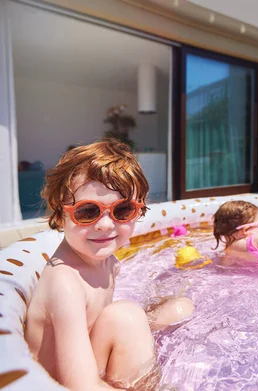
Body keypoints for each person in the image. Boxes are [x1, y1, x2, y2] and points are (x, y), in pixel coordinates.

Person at [25, 140, 194, 391]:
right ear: (60, 214)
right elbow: (79, 386)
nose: (105, 225)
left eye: (123, 210)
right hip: (63, 385)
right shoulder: (65, 283)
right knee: (125, 316)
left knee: (181, 307)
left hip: (93, 361)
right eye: (87, 212)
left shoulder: (109, 263)